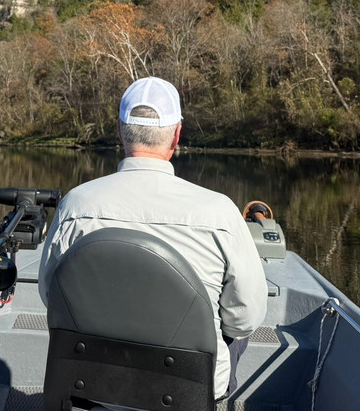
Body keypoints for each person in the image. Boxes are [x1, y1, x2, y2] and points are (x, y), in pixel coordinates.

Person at [37, 76, 268, 403]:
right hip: (187, 392)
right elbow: (244, 319)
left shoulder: (75, 205)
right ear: (177, 134)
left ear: (120, 132)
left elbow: (51, 296)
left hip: (90, 383)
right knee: (236, 331)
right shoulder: (219, 213)